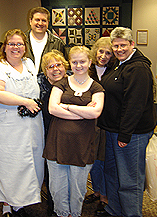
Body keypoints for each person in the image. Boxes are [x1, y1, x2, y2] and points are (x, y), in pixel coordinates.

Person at [97, 27, 156, 217]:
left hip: (131, 134)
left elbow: (135, 104)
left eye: (123, 45)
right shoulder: (119, 64)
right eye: (115, 46)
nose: (119, 49)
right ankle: (114, 210)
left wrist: (125, 134)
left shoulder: (138, 68)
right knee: (112, 173)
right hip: (113, 130)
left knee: (130, 180)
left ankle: (131, 214)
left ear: (132, 44)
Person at [0, 29, 44, 217]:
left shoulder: (29, 64)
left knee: (30, 162)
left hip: (32, 124)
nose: (15, 47)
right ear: (4, 47)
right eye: (11, 44)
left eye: (19, 44)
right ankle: (7, 204)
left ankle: (22, 202)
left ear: (25, 48)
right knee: (8, 164)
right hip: (8, 125)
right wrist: (26, 101)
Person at [43, 46, 104, 217]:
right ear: (70, 63)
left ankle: (75, 214)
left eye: (82, 61)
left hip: (82, 145)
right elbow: (53, 109)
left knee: (77, 188)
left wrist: (68, 107)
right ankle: (62, 214)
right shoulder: (62, 83)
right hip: (57, 142)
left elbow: (95, 112)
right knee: (57, 187)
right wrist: (83, 113)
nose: (78, 65)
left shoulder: (96, 87)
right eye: (74, 62)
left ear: (90, 62)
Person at [38, 50, 69, 216]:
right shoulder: (39, 88)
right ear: (45, 71)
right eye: (51, 66)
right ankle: (54, 209)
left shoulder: (74, 84)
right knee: (53, 177)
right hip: (48, 137)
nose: (56, 69)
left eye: (59, 65)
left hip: (71, 138)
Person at [85, 37, 114, 215]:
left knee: (103, 159)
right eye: (101, 51)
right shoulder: (87, 69)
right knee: (93, 159)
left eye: (108, 53)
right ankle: (96, 191)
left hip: (107, 121)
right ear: (95, 51)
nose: (103, 56)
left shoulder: (115, 70)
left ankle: (105, 196)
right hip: (89, 121)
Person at [25, 6, 67, 73]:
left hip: (49, 82)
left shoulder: (57, 43)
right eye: (37, 20)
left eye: (44, 20)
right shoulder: (21, 41)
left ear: (48, 22)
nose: (40, 23)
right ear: (30, 21)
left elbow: (64, 67)